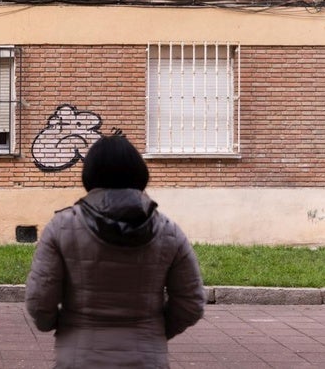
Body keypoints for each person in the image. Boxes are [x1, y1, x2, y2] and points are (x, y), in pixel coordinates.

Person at [25, 135, 205, 368]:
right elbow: (191, 304)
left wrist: (61, 326)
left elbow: (40, 302)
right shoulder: (169, 232)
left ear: (90, 175)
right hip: (146, 357)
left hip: (79, 358)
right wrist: (154, 332)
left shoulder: (61, 227)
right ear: (140, 173)